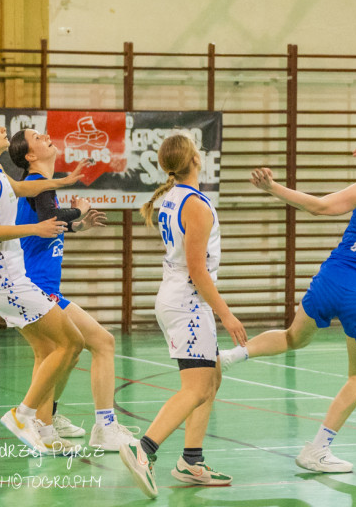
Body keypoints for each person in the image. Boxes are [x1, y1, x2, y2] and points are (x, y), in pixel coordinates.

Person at [220, 136, 356, 473]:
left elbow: (317, 206)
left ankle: (232, 355)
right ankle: (317, 449)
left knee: (293, 336)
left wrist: (273, 188)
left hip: (333, 279)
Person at [118, 133, 248, 498]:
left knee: (212, 378)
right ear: (194, 159)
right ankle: (143, 450)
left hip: (179, 300)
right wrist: (226, 314)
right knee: (196, 388)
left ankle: (191, 461)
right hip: (189, 304)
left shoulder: (172, 198)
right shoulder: (197, 206)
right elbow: (197, 270)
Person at [0, 114, 87, 455]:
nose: (2, 129)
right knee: (71, 342)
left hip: (7, 277)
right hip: (4, 279)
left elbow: (24, 188)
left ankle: (42, 428)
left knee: (51, 348)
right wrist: (35, 229)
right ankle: (23, 414)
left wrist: (66, 181)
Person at [8, 128, 136, 451]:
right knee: (96, 344)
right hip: (38, 291)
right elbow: (48, 216)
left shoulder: (42, 187)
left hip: (45, 290)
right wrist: (77, 211)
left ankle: (46, 417)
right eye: (37, 137)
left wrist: (79, 225)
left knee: (66, 351)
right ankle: (94, 428)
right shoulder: (37, 184)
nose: (46, 135)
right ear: (30, 156)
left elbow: (46, 227)